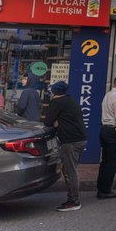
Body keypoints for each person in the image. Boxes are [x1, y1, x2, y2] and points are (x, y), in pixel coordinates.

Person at [43, 81, 87, 212]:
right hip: (80, 139)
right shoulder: (70, 100)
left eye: (51, 91)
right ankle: (73, 199)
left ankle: (74, 201)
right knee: (72, 170)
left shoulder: (57, 102)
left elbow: (48, 122)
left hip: (70, 142)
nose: (50, 94)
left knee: (69, 172)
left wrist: (57, 123)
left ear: (54, 92)